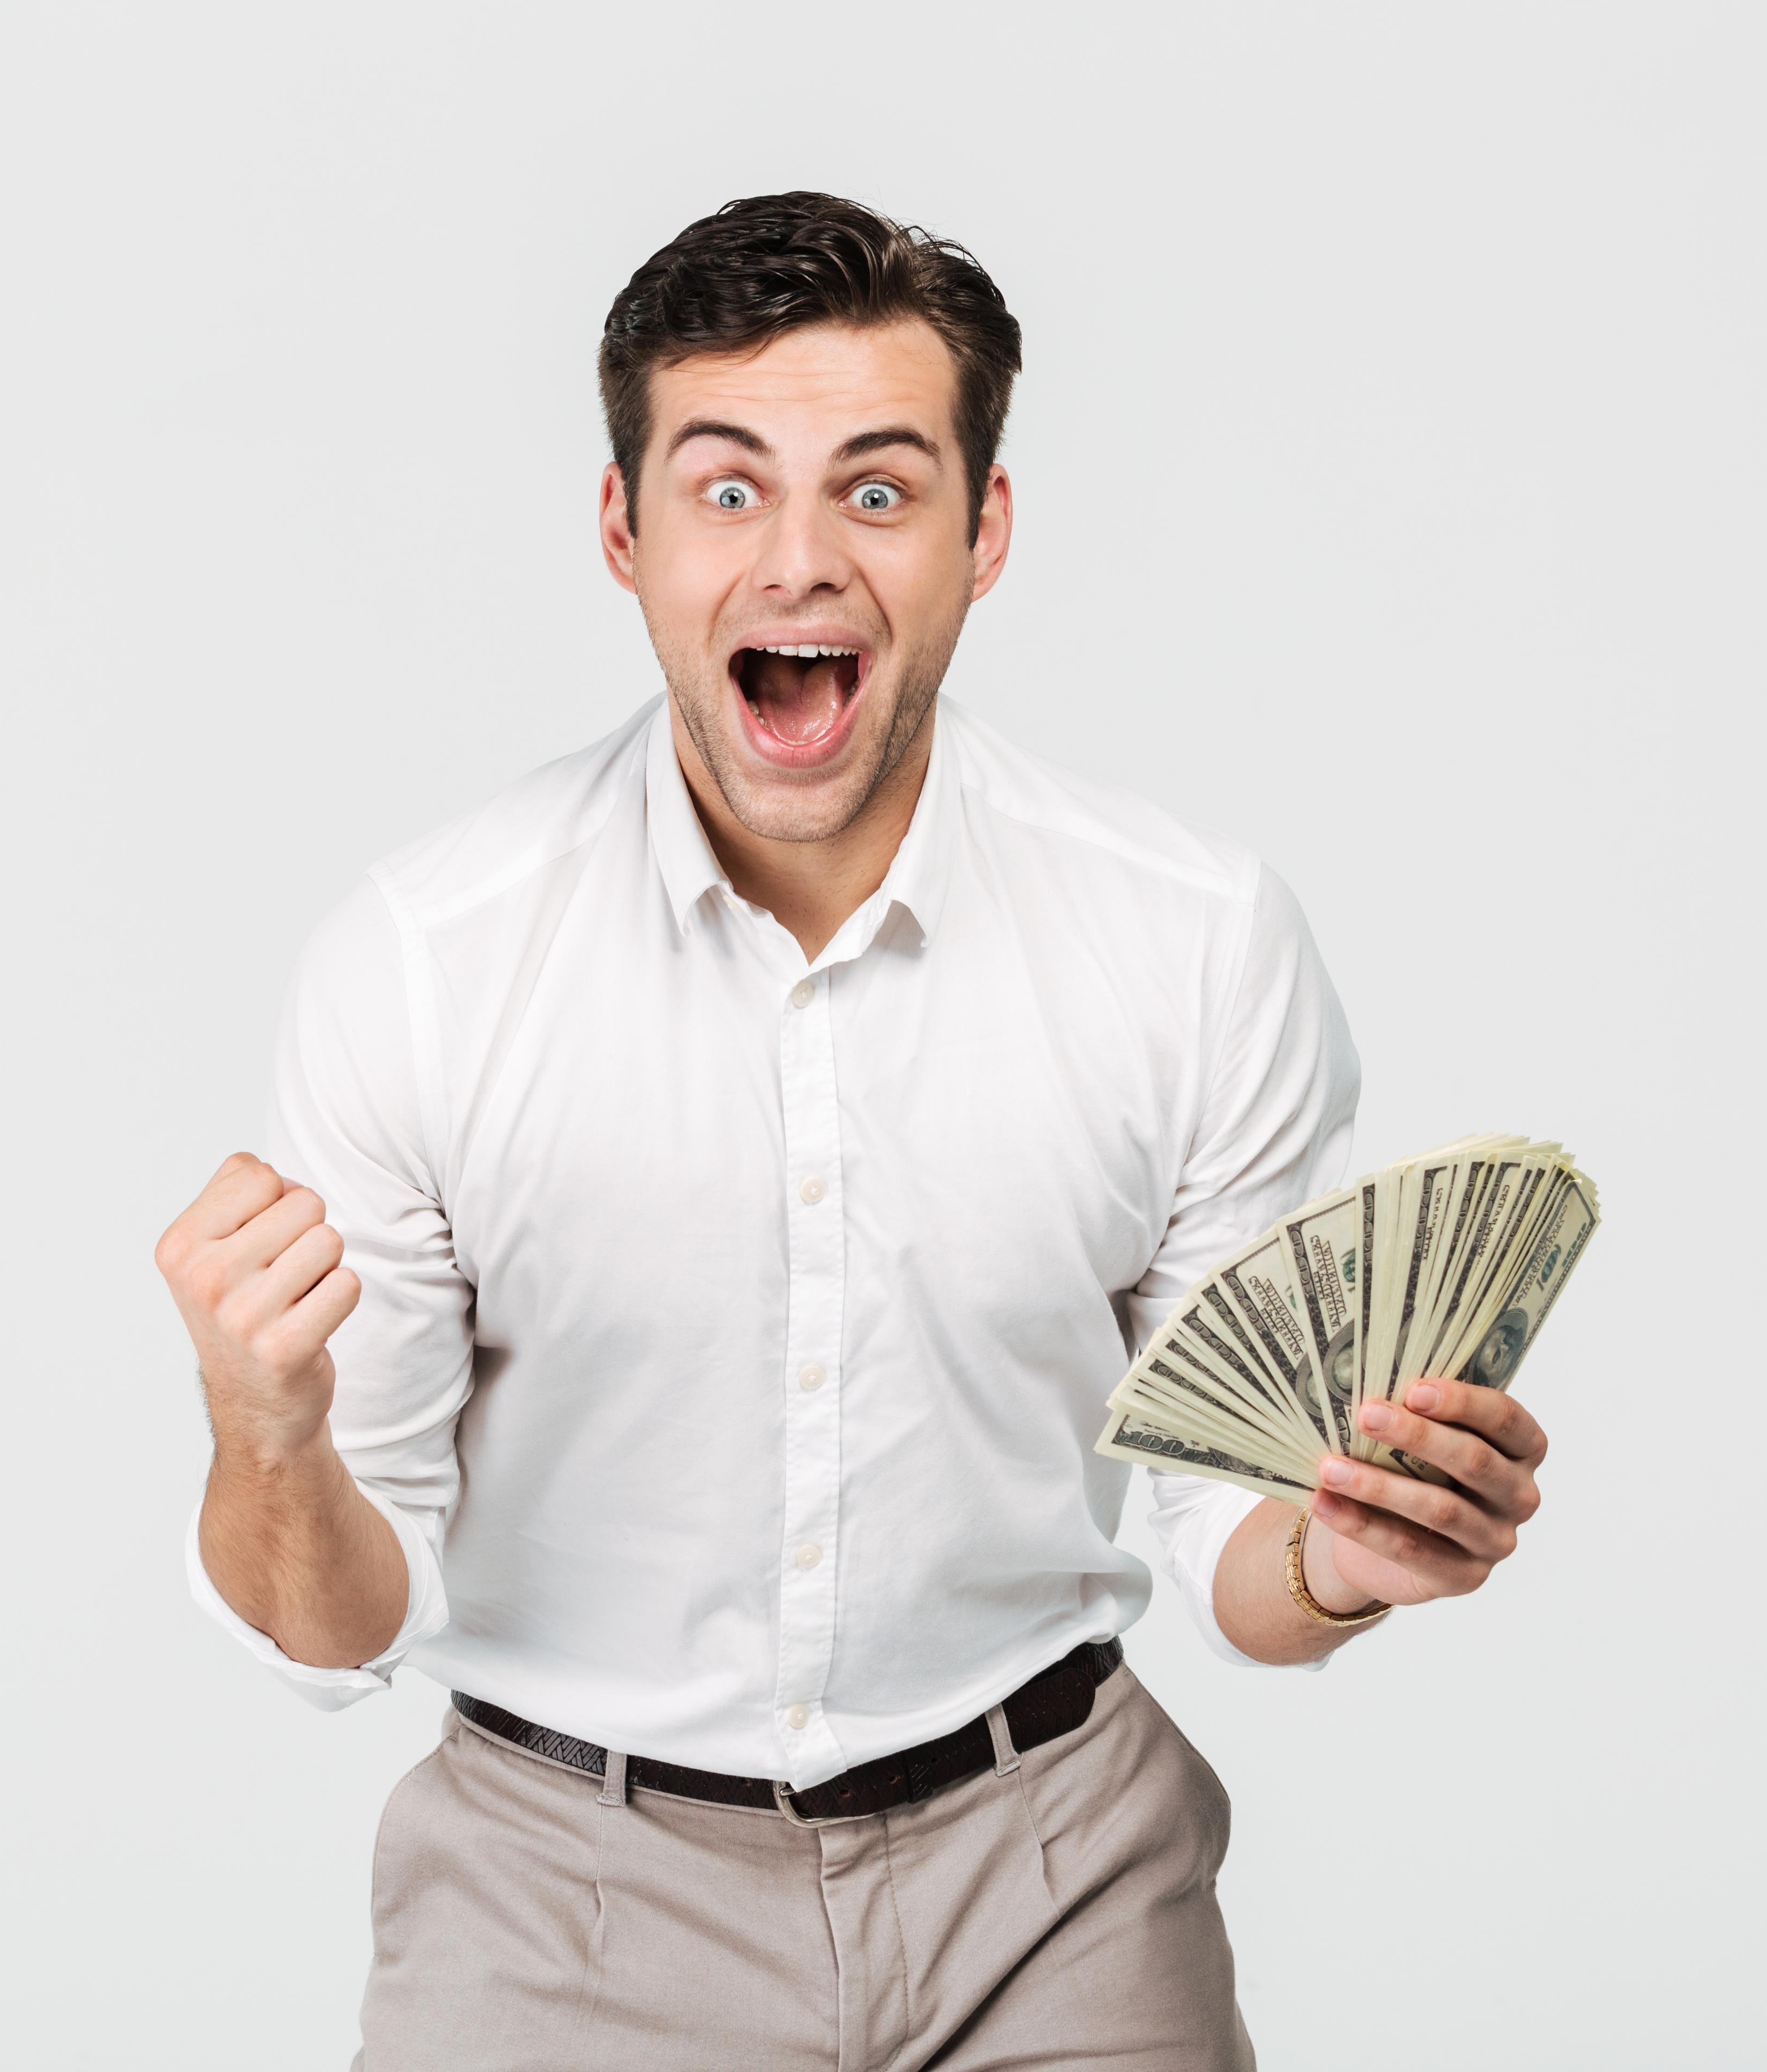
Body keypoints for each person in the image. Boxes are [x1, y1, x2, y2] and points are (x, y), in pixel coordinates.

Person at [154, 192, 1548, 2071]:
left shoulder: (1196, 943)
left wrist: (1344, 1558)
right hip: (559, 1896)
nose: (799, 562)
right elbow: (336, 1626)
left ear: (984, 535)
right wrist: (270, 1437)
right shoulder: (424, 965)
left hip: (1055, 1877)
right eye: (728, 491)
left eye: (878, 492)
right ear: (622, 530)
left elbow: (1240, 1536)